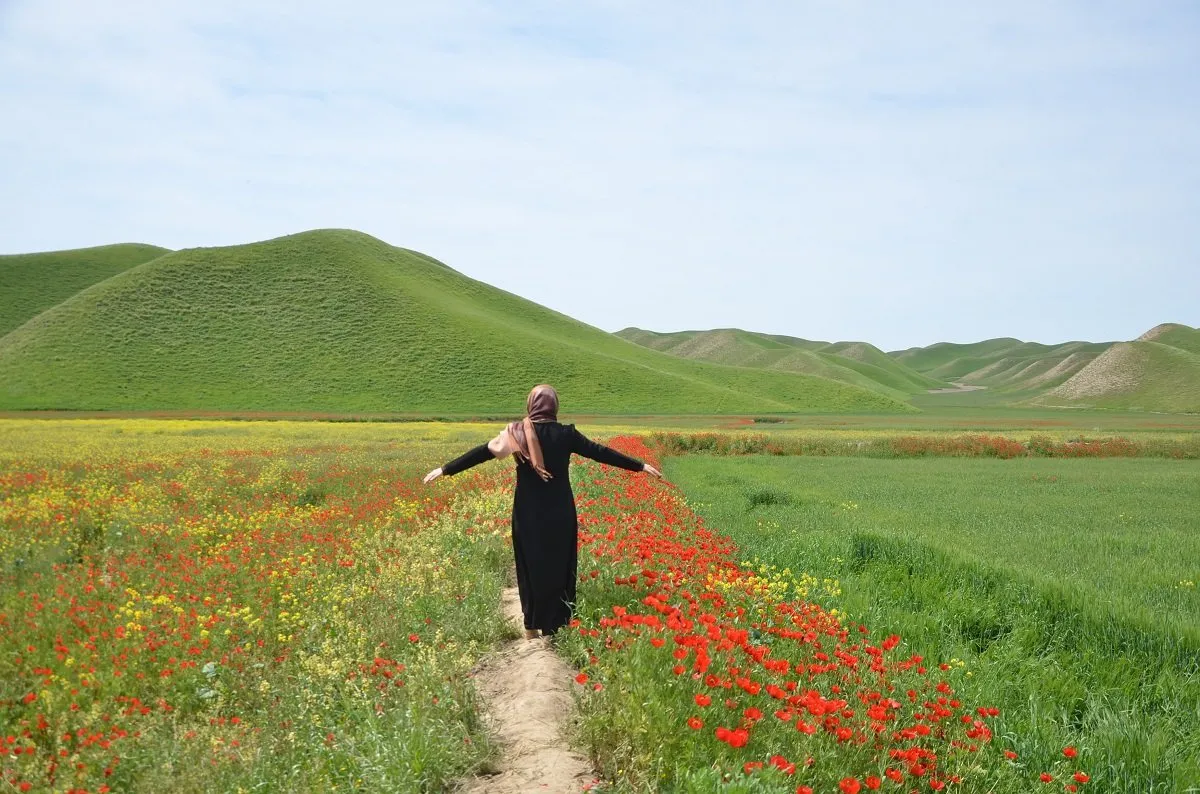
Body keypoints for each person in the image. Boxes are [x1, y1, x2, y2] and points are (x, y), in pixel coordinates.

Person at [422, 384, 662, 639]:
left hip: (527, 511)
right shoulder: (566, 434)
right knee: (560, 564)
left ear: (530, 405)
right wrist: (639, 465)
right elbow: (600, 453)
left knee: (530, 564)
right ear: (554, 406)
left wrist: (446, 469)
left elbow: (482, 453)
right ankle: (557, 625)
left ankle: (531, 625)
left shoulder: (515, 433)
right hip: (560, 511)